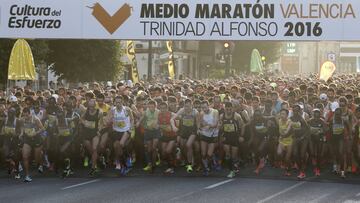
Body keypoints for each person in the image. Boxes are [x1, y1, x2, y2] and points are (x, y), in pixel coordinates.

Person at [107, 96, 134, 175]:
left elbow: (132, 119)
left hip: (126, 130)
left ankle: (124, 165)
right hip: (116, 131)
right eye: (117, 102)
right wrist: (110, 118)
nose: (118, 104)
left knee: (121, 144)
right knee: (116, 147)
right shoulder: (112, 110)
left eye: (120, 102)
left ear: (122, 102)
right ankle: (126, 159)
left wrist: (130, 128)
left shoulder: (127, 109)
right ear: (114, 102)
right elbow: (107, 121)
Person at [172, 99, 199, 173]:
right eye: (185, 106)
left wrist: (199, 130)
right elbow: (172, 119)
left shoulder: (195, 112)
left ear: (191, 106)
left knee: (188, 145)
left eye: (188, 106)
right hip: (184, 131)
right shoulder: (182, 110)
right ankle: (190, 160)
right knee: (183, 146)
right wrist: (173, 126)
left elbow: (198, 123)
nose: (187, 108)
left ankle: (190, 164)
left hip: (192, 131)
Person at [220, 102, 244, 178]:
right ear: (225, 109)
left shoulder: (237, 116)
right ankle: (231, 171)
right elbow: (220, 127)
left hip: (235, 137)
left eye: (230, 109)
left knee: (234, 156)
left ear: (232, 109)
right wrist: (221, 135)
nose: (228, 111)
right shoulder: (222, 116)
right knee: (227, 155)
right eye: (227, 109)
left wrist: (241, 136)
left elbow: (242, 126)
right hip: (226, 136)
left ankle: (236, 164)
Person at [20, 107, 45, 182]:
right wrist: (21, 133)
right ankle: (27, 175)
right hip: (27, 139)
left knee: (36, 158)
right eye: (24, 115)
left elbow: (42, 129)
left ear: (30, 114)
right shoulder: (22, 119)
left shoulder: (36, 119)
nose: (26, 117)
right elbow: (22, 127)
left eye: (27, 115)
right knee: (25, 157)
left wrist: (35, 133)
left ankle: (40, 164)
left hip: (37, 139)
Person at [81, 99, 104, 176]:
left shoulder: (99, 112)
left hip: (95, 132)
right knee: (90, 148)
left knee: (94, 149)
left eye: (92, 106)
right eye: (89, 106)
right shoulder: (86, 111)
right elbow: (81, 119)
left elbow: (101, 123)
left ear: (95, 105)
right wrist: (86, 123)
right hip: (87, 132)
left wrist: (99, 130)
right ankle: (97, 159)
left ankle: (93, 167)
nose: (90, 107)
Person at [137, 100, 160, 172]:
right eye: (149, 107)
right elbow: (142, 118)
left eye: (152, 107)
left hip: (156, 131)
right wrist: (138, 122)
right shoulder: (146, 112)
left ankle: (153, 164)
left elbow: (161, 120)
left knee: (154, 148)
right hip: (148, 131)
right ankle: (150, 163)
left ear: (155, 106)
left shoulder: (158, 112)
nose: (151, 108)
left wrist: (158, 125)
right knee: (149, 149)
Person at [198, 100, 219, 176]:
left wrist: (208, 126)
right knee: (203, 154)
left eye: (205, 107)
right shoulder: (201, 114)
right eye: (203, 108)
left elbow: (215, 124)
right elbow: (201, 124)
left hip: (213, 135)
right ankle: (206, 168)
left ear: (208, 106)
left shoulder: (215, 112)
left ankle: (213, 159)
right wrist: (200, 128)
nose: (204, 109)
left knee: (209, 154)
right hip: (204, 135)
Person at [2, 107, 21, 179]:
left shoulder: (18, 121)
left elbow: (19, 132)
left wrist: (14, 134)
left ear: (15, 113)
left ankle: (17, 171)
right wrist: (4, 132)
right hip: (6, 140)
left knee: (16, 157)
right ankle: (10, 165)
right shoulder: (4, 120)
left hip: (15, 140)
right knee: (5, 154)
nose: (10, 114)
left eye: (12, 113)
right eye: (9, 112)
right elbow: (1, 130)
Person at [158, 102, 177, 174]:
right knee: (163, 152)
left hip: (172, 136)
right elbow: (158, 125)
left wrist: (172, 126)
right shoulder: (159, 115)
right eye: (161, 108)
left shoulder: (171, 114)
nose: (162, 110)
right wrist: (162, 126)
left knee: (167, 150)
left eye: (164, 108)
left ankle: (171, 167)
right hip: (164, 136)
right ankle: (172, 161)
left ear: (166, 108)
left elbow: (169, 128)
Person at [308, 109, 328, 176]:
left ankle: (318, 167)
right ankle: (314, 165)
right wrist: (311, 131)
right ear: (313, 115)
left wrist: (319, 131)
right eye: (315, 114)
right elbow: (306, 129)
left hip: (320, 139)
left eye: (317, 115)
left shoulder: (322, 121)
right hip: (311, 139)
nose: (316, 116)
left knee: (319, 154)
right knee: (312, 153)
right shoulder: (310, 121)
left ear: (319, 115)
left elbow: (325, 130)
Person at [277, 109, 292, 176]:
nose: (282, 115)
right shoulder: (279, 121)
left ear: (287, 115)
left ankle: (288, 170)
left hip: (289, 141)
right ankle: (284, 162)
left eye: (283, 114)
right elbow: (280, 131)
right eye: (281, 114)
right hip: (282, 141)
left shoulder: (290, 122)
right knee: (279, 153)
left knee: (287, 158)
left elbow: (287, 131)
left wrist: (282, 135)